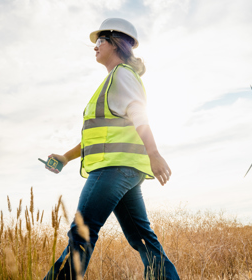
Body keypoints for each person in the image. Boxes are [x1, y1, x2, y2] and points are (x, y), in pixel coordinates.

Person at [43, 18, 180, 280]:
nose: (95, 46)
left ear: (116, 43)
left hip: (113, 169)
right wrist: (66, 158)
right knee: (141, 238)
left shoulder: (122, 76)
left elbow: (140, 116)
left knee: (82, 232)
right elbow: (98, 137)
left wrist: (154, 153)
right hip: (124, 170)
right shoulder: (113, 81)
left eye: (100, 41)